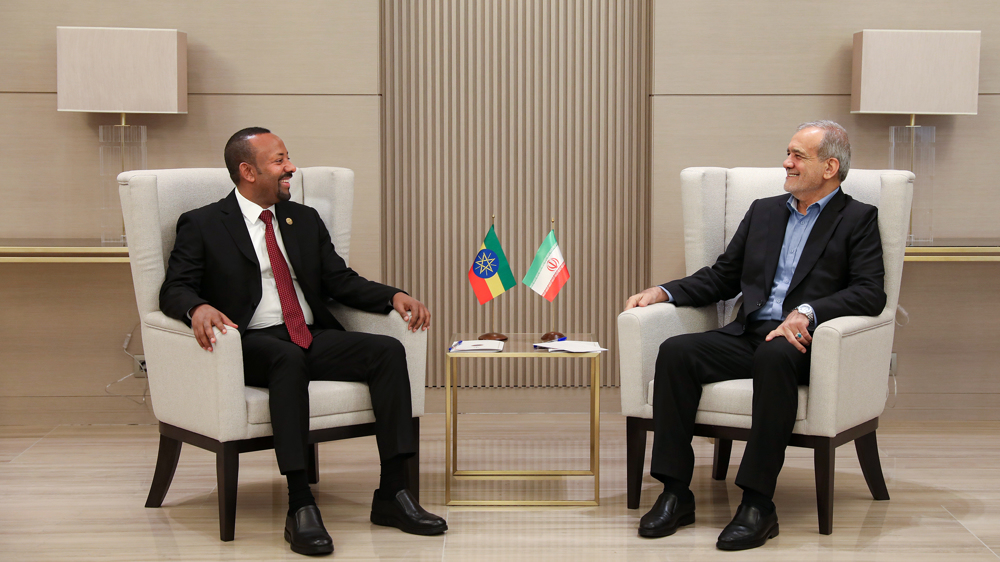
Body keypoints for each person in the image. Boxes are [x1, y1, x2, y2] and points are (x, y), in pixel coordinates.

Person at [160, 127, 446, 556]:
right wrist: (196, 308)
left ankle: (392, 493)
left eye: (288, 158)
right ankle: (300, 505)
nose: (291, 167)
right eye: (279, 161)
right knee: (286, 360)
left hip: (309, 334)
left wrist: (392, 296)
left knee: (387, 351)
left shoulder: (303, 219)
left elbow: (339, 280)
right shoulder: (203, 224)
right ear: (247, 171)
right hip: (252, 341)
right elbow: (174, 289)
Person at [624, 120, 886, 551]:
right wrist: (664, 291)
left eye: (798, 156)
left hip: (803, 345)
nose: (786, 163)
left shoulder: (857, 218)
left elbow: (870, 291)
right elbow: (723, 277)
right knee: (676, 352)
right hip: (750, 333)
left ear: (830, 166)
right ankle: (675, 492)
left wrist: (808, 312)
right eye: (788, 153)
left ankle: (758, 503)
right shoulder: (765, 211)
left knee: (775, 355)